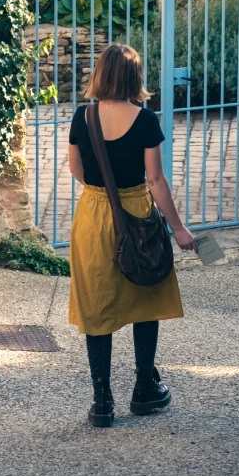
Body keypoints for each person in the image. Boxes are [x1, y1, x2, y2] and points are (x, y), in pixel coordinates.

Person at [68, 43, 196, 428]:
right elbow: (155, 179)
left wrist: (102, 191)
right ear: (135, 78)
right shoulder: (146, 120)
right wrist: (178, 228)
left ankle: (102, 400)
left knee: (97, 304)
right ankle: (144, 388)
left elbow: (76, 168)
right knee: (146, 296)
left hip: (93, 213)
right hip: (137, 212)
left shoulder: (82, 116)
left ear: (101, 74)